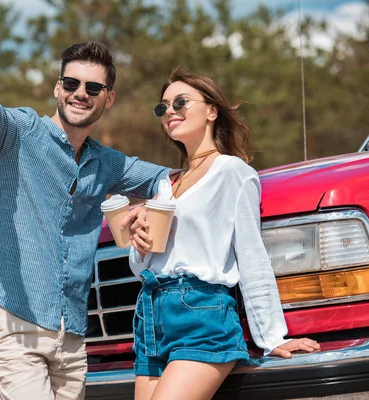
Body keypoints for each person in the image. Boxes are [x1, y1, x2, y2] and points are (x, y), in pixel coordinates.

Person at [0, 41, 169, 400]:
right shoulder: (19, 132)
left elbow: (167, 178)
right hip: (10, 315)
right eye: (71, 84)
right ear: (58, 88)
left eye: (93, 88)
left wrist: (157, 202)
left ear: (109, 98)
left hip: (70, 335)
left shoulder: (106, 163)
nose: (80, 94)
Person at [128, 67, 321, 400]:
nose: (169, 112)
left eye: (180, 102)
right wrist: (139, 244)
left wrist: (272, 337)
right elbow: (141, 267)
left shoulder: (232, 172)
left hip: (202, 314)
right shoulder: (164, 185)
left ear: (212, 111)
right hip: (150, 314)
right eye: (162, 107)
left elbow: (251, 255)